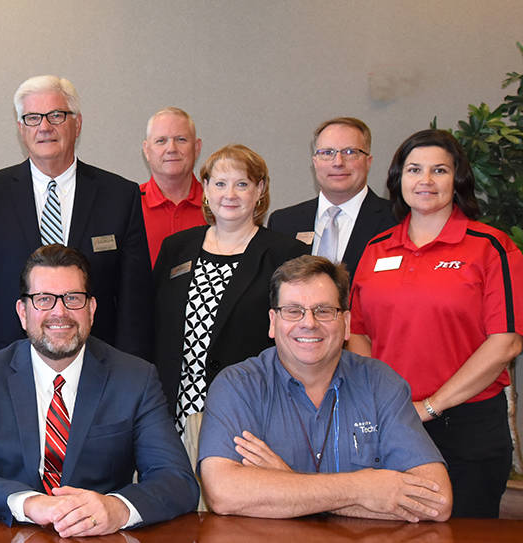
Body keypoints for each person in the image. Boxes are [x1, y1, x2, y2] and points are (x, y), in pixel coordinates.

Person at [0, 245, 198, 534]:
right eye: (44, 299)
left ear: (91, 309)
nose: (59, 313)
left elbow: (177, 480)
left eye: (73, 298)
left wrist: (117, 508)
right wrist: (29, 503)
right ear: (23, 313)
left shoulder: (135, 378)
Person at [349, 129, 523, 518]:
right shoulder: (376, 249)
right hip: (391, 422)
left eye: (439, 170)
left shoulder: (490, 247)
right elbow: (357, 332)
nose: (425, 181)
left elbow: (506, 342)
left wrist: (429, 406)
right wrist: (388, 401)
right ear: (398, 180)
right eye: (414, 170)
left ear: (457, 180)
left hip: (467, 426)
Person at [198, 255, 452, 521]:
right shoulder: (238, 386)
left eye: (324, 310)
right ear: (273, 322)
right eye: (293, 310)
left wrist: (288, 482)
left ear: (347, 324)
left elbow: (437, 502)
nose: (309, 323)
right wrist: (362, 489)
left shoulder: (382, 384)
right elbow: (224, 493)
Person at [0, 75, 153, 365]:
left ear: (77, 123)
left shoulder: (120, 196)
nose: (45, 127)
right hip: (8, 368)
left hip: (99, 369)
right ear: (21, 129)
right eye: (33, 118)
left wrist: (132, 378)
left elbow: (135, 304)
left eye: (56, 115)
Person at [153, 145, 308, 464]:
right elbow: (153, 322)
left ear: (260, 190)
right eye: (220, 183)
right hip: (175, 406)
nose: (230, 194)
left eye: (242, 184)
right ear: (205, 189)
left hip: (249, 409)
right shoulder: (176, 248)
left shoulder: (285, 253)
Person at [268, 117, 396, 275]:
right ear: (315, 162)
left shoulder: (397, 220)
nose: (338, 162)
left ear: (368, 161)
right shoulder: (283, 223)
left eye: (350, 152)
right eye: (327, 153)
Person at [139, 107, 206, 267]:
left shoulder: (219, 205)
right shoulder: (128, 206)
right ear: (147, 150)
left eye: (181, 139)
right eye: (161, 141)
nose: (171, 149)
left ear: (197, 148)